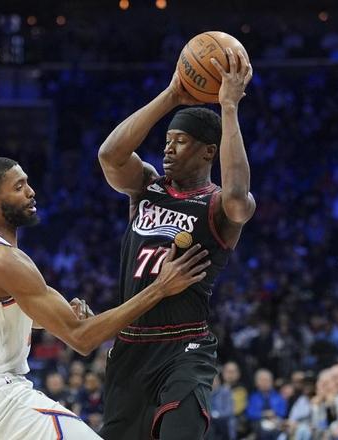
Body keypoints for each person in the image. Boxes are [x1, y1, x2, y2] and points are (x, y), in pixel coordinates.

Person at [0, 157, 210, 440]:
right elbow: (82, 339)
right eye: (18, 187)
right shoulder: (2, 259)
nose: (31, 192)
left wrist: (55, 319)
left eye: (27, 183)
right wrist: (159, 288)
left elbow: (4, 314)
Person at [96, 47, 254, 439]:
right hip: (130, 346)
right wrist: (171, 95)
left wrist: (229, 106)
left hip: (185, 346)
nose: (167, 148)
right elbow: (110, 156)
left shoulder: (218, 205)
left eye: (180, 141)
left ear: (208, 151)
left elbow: (238, 194)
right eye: (167, 140)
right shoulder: (146, 187)